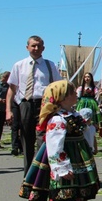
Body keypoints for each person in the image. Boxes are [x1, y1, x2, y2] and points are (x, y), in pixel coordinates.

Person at [18, 80, 100, 201]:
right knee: (54, 195)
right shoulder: (57, 120)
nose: (75, 94)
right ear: (61, 98)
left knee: (82, 192)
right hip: (64, 159)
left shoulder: (74, 115)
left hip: (79, 158)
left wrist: (90, 146)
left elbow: (84, 133)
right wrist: (61, 168)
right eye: (71, 93)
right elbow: (55, 146)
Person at [6, 35, 62, 174]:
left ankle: (41, 174)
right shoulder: (19, 65)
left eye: (39, 46)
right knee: (27, 140)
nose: (36, 48)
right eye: (33, 46)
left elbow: (58, 87)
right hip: (25, 104)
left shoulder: (50, 65)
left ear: (43, 48)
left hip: (45, 105)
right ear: (27, 47)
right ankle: (28, 175)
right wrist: (8, 110)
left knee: (43, 139)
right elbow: (11, 90)